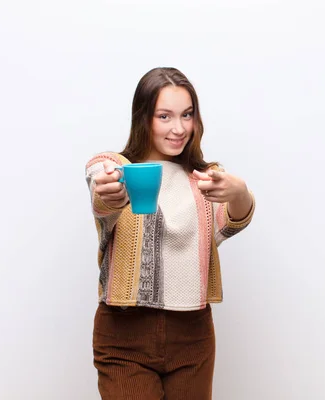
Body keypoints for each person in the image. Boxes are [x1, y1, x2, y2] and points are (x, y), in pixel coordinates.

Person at [84, 67, 255, 400]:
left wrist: (239, 192)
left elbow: (231, 221)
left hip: (193, 337)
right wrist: (110, 192)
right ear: (144, 117)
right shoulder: (114, 167)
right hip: (124, 335)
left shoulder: (205, 178)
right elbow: (101, 193)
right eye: (165, 116)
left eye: (187, 115)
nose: (179, 128)